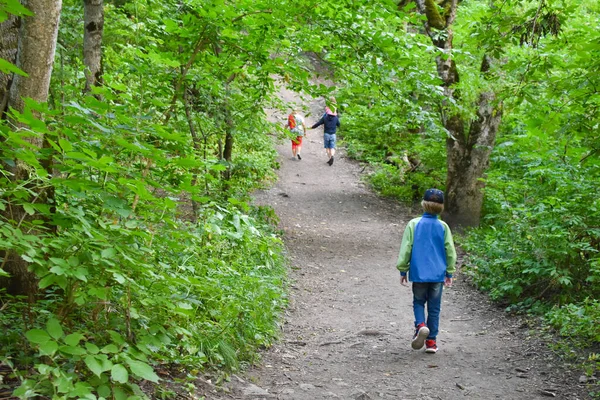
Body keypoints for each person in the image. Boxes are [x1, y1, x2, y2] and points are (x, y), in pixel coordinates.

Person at [396, 188, 457, 354]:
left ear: (423, 204)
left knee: (418, 301)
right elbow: (450, 250)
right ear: (441, 207)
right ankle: (431, 342)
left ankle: (421, 326)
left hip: (419, 273)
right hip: (437, 274)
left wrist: (403, 269)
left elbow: (407, 248)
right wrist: (449, 272)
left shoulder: (414, 224)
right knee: (434, 307)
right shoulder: (443, 226)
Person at [310, 100, 340, 166]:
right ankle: (332, 156)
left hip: (326, 134)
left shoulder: (325, 117)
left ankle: (330, 158)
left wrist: (312, 127)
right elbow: (339, 124)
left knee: (327, 147)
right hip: (333, 134)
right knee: (332, 147)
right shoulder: (336, 118)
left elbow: (318, 123)